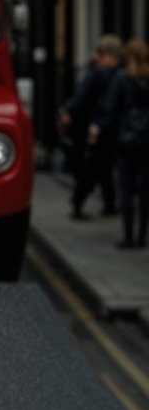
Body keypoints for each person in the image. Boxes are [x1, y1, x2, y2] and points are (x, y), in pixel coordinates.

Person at [92, 37, 149, 251]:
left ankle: (128, 237)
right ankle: (142, 236)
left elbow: (110, 109)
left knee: (126, 190)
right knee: (144, 191)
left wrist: (97, 130)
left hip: (126, 142)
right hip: (146, 142)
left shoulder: (121, 79)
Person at [60, 34, 122, 218]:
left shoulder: (100, 74)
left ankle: (103, 202)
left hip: (98, 127)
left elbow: (83, 99)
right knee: (98, 168)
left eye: (101, 53)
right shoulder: (104, 74)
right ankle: (86, 202)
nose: (97, 56)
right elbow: (85, 100)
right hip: (99, 127)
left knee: (99, 168)